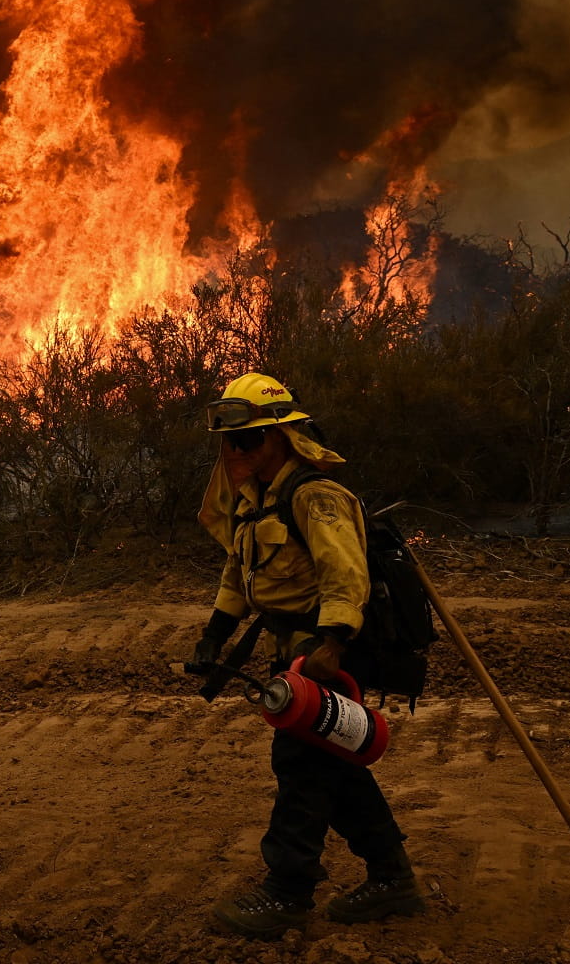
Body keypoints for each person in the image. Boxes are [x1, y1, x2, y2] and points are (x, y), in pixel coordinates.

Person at [186, 372, 425, 939]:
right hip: (293, 653)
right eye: (232, 443)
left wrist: (333, 642)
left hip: (333, 653)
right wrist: (215, 635)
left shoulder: (314, 496)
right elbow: (238, 571)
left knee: (302, 769)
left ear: (281, 438)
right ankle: (392, 877)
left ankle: (287, 893)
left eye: (248, 441)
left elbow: (346, 574)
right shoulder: (254, 501)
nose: (238, 452)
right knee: (334, 765)